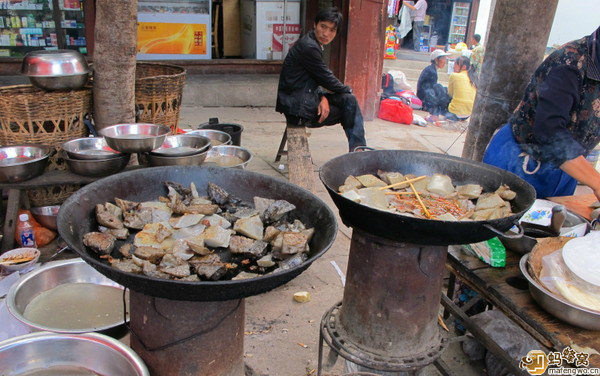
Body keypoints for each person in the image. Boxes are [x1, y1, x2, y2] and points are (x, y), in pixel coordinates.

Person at [483, 26, 600, 200]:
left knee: (553, 224)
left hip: (571, 167)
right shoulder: (570, 63)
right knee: (501, 219)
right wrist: (596, 182)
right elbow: (549, 132)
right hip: (520, 161)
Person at [275, 7, 366, 152]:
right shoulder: (309, 47)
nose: (326, 33)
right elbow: (326, 78)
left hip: (303, 98)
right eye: (323, 27)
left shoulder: (313, 42)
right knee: (349, 108)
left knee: (349, 101)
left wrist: (322, 97)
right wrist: (348, 89)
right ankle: (358, 151)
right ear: (315, 24)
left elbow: (314, 78)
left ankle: (358, 150)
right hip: (297, 110)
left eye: (332, 30)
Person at [417, 49, 451, 118]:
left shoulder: (431, 69)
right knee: (440, 89)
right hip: (424, 99)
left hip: (425, 95)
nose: (445, 62)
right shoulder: (431, 71)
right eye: (443, 59)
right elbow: (430, 91)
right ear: (436, 60)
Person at [446, 56, 477, 120]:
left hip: (454, 113)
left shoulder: (454, 75)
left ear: (464, 67)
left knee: (439, 90)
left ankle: (435, 115)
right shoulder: (473, 78)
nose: (453, 66)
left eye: (456, 64)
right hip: (468, 114)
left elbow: (450, 94)